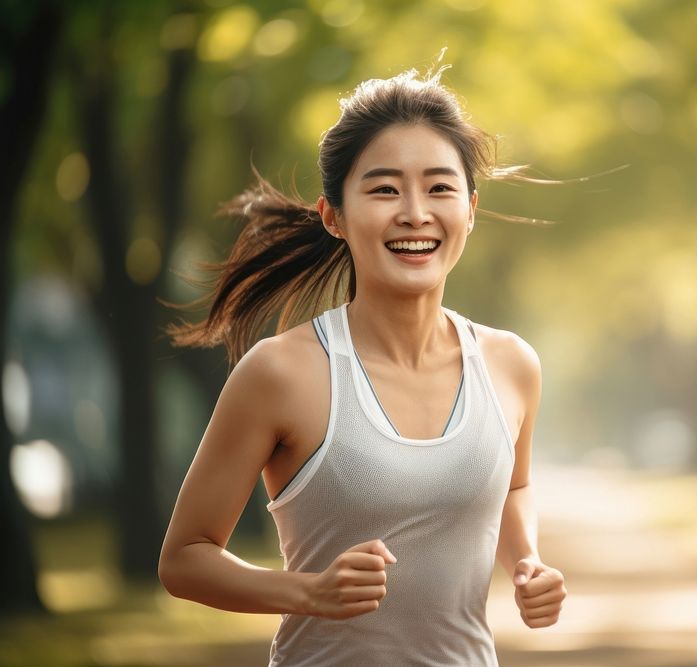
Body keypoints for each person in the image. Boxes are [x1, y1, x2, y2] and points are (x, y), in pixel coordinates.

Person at [157, 63, 567, 666]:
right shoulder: (281, 374)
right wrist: (308, 592)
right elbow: (185, 557)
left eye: (439, 187)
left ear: (471, 209)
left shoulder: (511, 365)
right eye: (383, 189)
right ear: (334, 216)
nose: (414, 213)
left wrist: (527, 560)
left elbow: (514, 484)